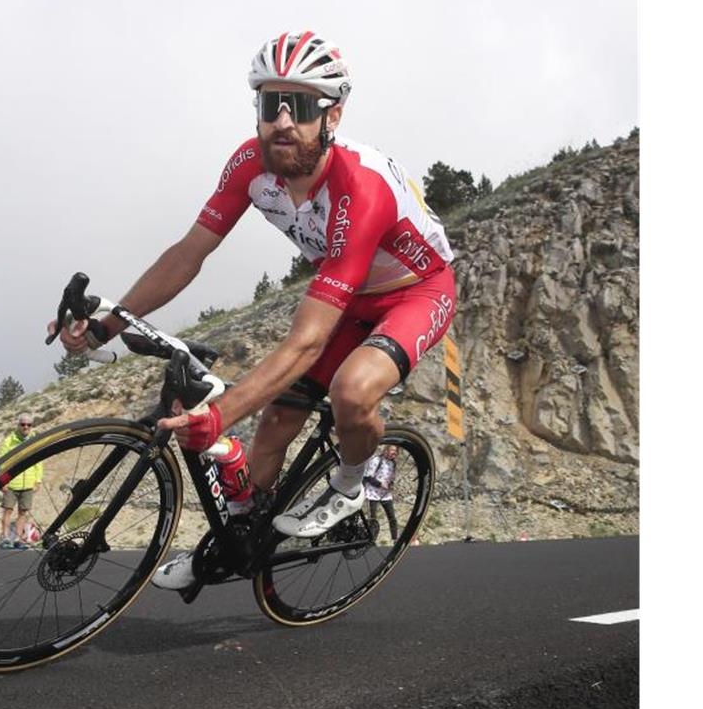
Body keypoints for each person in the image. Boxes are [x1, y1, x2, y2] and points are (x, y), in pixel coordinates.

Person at [52, 31, 455, 590]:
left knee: (352, 390)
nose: (284, 121)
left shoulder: (361, 188)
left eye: (304, 106)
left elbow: (307, 341)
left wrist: (217, 416)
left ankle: (353, 481)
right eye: (271, 104)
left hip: (417, 292)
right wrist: (104, 326)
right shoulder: (250, 165)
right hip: (350, 293)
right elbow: (189, 253)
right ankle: (235, 540)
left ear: (331, 116)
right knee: (276, 423)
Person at [0, 414, 44, 549]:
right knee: (8, 510)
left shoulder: (35, 440)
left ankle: (18, 538)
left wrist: (38, 480)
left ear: (32, 426)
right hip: (11, 483)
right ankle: (5, 537)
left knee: (23, 512)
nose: (25, 427)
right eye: (23, 424)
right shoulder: (9, 441)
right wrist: (3, 481)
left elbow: (39, 462)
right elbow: (2, 463)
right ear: (18, 425)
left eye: (29, 425)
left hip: (28, 483)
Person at [364, 445, 399, 541]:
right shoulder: (376, 460)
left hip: (385, 495)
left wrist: (391, 484)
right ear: (386, 450)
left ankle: (395, 539)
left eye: (396, 451)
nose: (394, 453)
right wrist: (380, 484)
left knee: (392, 517)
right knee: (373, 519)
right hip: (373, 493)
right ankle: (371, 539)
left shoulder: (393, 464)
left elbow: (391, 478)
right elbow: (367, 477)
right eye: (392, 450)